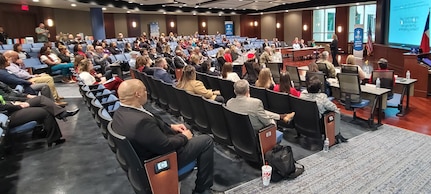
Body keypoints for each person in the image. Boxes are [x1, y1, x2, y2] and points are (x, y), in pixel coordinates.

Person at [111, 79, 214, 194]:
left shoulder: (120, 112)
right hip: (161, 161)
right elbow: (166, 146)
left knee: (185, 128)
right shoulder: (140, 122)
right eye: (144, 90)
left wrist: (171, 126)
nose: (146, 92)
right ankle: (202, 190)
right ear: (137, 94)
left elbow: (152, 128)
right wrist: (185, 137)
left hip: (150, 150)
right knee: (206, 141)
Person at [0, 82, 79, 147]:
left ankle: (61, 113)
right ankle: (54, 137)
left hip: (11, 107)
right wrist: (18, 106)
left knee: (40, 99)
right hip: (6, 115)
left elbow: (9, 95)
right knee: (44, 112)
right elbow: (2, 106)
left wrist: (22, 100)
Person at [226, 79, 295, 131]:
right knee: (272, 122)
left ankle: (282, 116)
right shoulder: (255, 103)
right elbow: (268, 123)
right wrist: (273, 120)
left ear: (234, 91)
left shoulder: (229, 103)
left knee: (261, 112)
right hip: (258, 134)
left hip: (238, 132)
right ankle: (281, 118)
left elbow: (261, 112)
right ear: (248, 90)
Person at [300, 76, 348, 143]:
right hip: (319, 125)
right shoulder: (321, 98)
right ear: (319, 89)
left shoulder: (302, 95)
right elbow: (334, 108)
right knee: (336, 112)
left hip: (304, 122)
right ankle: (336, 134)